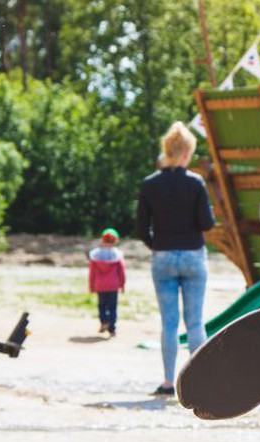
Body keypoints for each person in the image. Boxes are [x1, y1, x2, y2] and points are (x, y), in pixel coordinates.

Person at [136, 121, 215, 396]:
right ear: (186, 153)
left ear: (167, 150)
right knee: (195, 323)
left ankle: (168, 382)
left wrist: (157, 244)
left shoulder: (150, 184)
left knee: (169, 323)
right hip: (193, 255)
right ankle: (200, 381)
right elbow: (207, 223)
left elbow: (140, 228)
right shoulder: (195, 183)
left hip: (163, 256)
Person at [88, 227, 126, 337]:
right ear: (115, 240)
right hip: (113, 286)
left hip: (100, 285)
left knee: (102, 305)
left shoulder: (95, 255)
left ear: (102, 240)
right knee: (113, 307)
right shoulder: (117, 255)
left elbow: (92, 273)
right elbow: (122, 272)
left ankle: (104, 320)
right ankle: (112, 329)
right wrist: (122, 285)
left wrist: (91, 286)